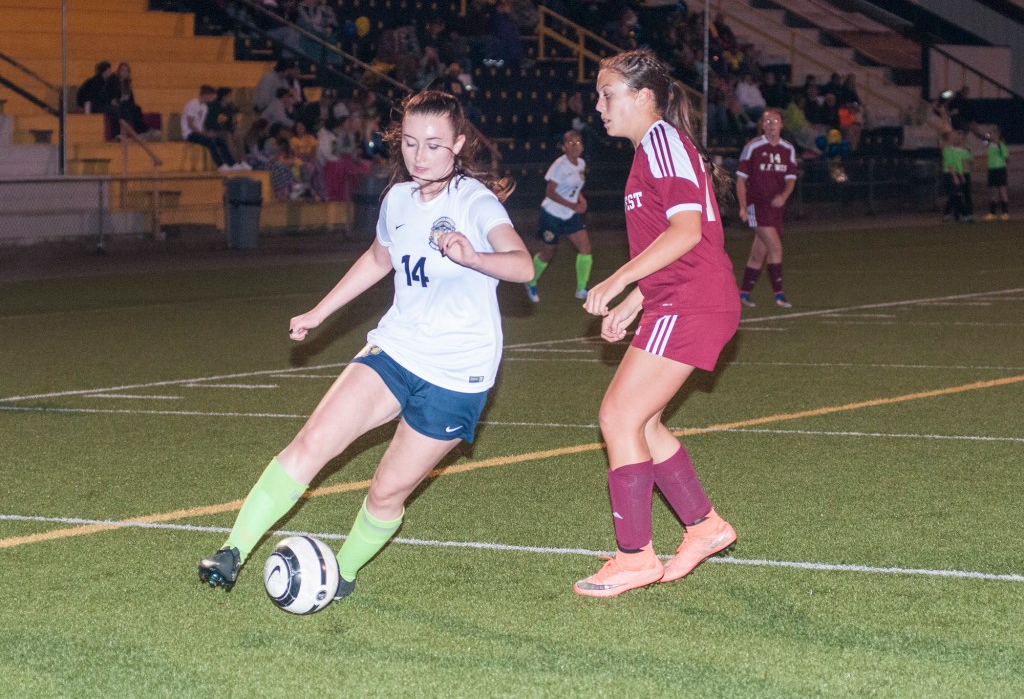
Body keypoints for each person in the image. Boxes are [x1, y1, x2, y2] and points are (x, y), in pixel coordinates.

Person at [198, 89, 534, 598]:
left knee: (386, 490)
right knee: (313, 443)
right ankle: (232, 550)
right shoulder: (398, 199)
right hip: (396, 350)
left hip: (457, 375)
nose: (421, 157)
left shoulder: (474, 202)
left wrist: (475, 258)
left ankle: (344, 574)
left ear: (458, 144)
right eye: (412, 144)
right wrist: (319, 311)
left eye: (435, 145)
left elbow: (523, 265)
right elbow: (379, 258)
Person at [573, 49, 740, 598]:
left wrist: (618, 279)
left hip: (693, 302)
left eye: (607, 94)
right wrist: (638, 299)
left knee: (618, 416)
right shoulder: (655, 149)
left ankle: (635, 558)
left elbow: (687, 231)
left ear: (644, 97)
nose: (598, 106)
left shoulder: (663, 141)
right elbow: (675, 244)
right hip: (680, 297)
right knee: (643, 424)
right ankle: (705, 527)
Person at [736, 108, 798, 308]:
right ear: (762, 125)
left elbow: (791, 179)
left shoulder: (787, 149)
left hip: (775, 209)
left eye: (775, 121)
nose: (772, 124)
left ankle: (743, 294)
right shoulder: (753, 147)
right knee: (776, 246)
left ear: (781, 125)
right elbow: (740, 180)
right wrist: (743, 206)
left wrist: (784, 196)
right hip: (757, 206)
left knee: (758, 253)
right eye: (768, 121)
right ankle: (779, 295)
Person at [524, 130, 592, 302]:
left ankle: (581, 289)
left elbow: (574, 187)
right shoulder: (559, 166)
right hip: (552, 214)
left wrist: (581, 200)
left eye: (577, 142)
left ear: (582, 146)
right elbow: (550, 192)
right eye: (570, 143)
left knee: (585, 248)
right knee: (548, 252)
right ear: (563, 147)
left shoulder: (581, 163)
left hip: (570, 215)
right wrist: (573, 205)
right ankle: (530, 280)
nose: (574, 146)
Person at [181, 85, 239, 171]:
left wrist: (207, 132)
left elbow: (201, 125)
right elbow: (190, 125)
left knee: (220, 141)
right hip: (189, 133)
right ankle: (220, 165)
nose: (213, 99)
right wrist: (204, 133)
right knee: (210, 141)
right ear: (206, 95)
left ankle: (232, 164)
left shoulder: (204, 107)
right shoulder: (193, 104)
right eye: (212, 96)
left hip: (199, 132)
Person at [982, 126, 1009, 220]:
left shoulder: (1001, 144)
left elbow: (1006, 157)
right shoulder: (989, 145)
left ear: (997, 134)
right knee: (993, 191)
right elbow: (983, 140)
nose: (991, 135)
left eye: (993, 133)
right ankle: (992, 213)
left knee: (1002, 190)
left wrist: (1003, 164)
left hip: (1000, 169)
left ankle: (1005, 212)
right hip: (992, 169)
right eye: (990, 133)